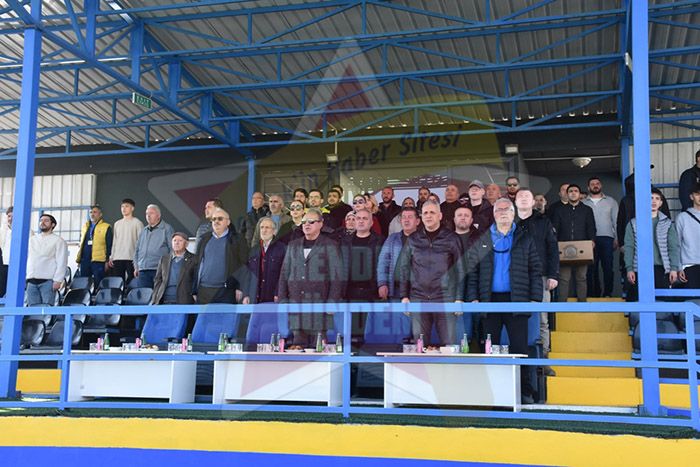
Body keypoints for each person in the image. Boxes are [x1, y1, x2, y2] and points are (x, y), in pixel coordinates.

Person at [467, 197, 542, 404]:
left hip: (517, 300)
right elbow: (473, 272)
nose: (502, 213)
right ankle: (491, 394)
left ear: (513, 213)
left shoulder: (525, 238)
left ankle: (524, 391)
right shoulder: (482, 239)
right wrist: (473, 297)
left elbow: (535, 269)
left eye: (506, 209)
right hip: (489, 301)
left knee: (520, 348)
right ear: (493, 214)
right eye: (498, 210)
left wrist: (535, 298)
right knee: (490, 349)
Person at [399, 200, 465, 347]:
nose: (428, 216)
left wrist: (459, 298)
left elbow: (461, 269)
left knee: (449, 347)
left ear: (440, 216)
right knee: (420, 347)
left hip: (445, 298)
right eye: (425, 213)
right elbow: (404, 269)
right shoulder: (413, 239)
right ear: (421, 217)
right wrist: (404, 296)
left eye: (432, 212)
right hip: (418, 298)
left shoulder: (453, 238)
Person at [278, 207, 343, 346]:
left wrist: (332, 301)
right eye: (304, 221)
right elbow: (284, 274)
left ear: (320, 224)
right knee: (298, 347)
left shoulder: (331, 245)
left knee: (319, 348)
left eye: (311, 221)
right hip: (296, 304)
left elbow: (337, 277)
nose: (306, 224)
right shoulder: (293, 245)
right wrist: (283, 301)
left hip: (320, 306)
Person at [515, 188, 559, 371]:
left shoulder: (544, 221)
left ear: (534, 202)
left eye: (527, 196)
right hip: (515, 278)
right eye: (520, 196)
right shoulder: (509, 221)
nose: (524, 199)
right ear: (515, 202)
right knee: (516, 319)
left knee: (541, 319)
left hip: (540, 276)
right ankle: (519, 360)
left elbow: (553, 248)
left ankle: (543, 361)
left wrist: (553, 275)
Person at [624, 188, 680, 301]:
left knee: (663, 301)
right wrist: (629, 268)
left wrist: (674, 268)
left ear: (661, 203)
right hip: (640, 268)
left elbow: (673, 247)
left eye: (657, 198)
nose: (654, 201)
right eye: (650, 198)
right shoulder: (633, 223)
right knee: (637, 301)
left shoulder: (667, 223)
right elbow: (629, 247)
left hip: (661, 268)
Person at [340, 209, 385, 336]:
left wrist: (382, 285)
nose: (361, 221)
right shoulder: (344, 241)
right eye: (358, 218)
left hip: (372, 290)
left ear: (371, 222)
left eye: (365, 218)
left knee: (371, 331)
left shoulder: (380, 241)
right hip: (349, 290)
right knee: (351, 330)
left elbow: (384, 265)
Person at [552, 184, 596, 302]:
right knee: (564, 278)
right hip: (564, 247)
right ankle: (562, 306)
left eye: (576, 191)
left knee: (581, 278)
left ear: (580, 194)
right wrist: (554, 242)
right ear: (567, 194)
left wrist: (592, 240)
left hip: (582, 247)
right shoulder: (559, 210)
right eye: (570, 191)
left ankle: (582, 304)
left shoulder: (587, 210)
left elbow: (591, 227)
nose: (573, 193)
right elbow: (555, 228)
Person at [193, 208, 247, 304]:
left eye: (220, 219)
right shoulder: (204, 239)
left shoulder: (237, 240)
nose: (216, 221)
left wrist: (240, 287)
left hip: (226, 291)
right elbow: (196, 265)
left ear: (228, 222)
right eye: (214, 219)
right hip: (203, 291)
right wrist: (194, 290)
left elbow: (244, 265)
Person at [582, 177, 619, 298]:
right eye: (592, 184)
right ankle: (593, 294)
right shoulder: (583, 202)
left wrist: (617, 238)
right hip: (589, 240)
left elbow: (616, 221)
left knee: (607, 267)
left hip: (607, 237)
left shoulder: (611, 201)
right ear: (588, 188)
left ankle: (608, 293)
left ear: (601, 186)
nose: (595, 185)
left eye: (597, 183)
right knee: (591, 269)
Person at [378, 206, 421, 301]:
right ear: (400, 221)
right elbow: (383, 262)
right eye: (403, 217)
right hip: (396, 290)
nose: (406, 220)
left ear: (417, 221)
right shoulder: (392, 238)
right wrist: (382, 283)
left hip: (417, 291)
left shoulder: (423, 239)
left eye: (410, 217)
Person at [242, 217, 287, 304]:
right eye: (262, 227)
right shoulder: (254, 249)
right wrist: (246, 294)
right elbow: (248, 274)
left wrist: (278, 292)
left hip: (273, 296)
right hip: (255, 297)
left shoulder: (282, 248)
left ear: (274, 231)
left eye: (267, 227)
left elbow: (285, 273)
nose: (264, 230)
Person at [25, 214, 68, 306]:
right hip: (31, 280)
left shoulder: (58, 241)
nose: (42, 222)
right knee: (32, 309)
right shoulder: (32, 240)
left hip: (48, 281)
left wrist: (58, 280)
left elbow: (62, 262)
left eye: (46, 220)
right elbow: (27, 259)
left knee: (47, 308)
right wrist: (25, 278)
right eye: (41, 220)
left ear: (53, 224)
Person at [134, 204, 174, 289]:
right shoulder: (143, 231)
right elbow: (137, 250)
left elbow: (172, 249)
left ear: (158, 215)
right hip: (143, 271)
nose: (148, 216)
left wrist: (167, 267)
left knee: (158, 295)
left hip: (159, 270)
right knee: (144, 295)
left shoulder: (167, 229)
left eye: (151, 213)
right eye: (146, 213)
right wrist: (136, 266)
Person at [151, 232, 196, 305]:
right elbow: (158, 280)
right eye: (174, 240)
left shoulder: (194, 259)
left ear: (186, 244)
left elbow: (196, 280)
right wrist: (154, 299)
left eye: (180, 241)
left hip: (184, 301)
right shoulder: (164, 259)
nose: (176, 243)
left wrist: (195, 295)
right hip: (164, 301)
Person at [76, 205, 113, 286]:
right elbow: (81, 244)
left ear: (100, 214)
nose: (92, 214)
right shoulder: (85, 227)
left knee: (99, 283)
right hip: (85, 260)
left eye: (95, 212)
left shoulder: (106, 227)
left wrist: (107, 260)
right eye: (91, 212)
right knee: (84, 283)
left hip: (99, 261)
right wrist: (79, 260)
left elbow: (109, 245)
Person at [109, 198, 144, 285]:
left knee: (132, 283)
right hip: (117, 257)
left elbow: (142, 242)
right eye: (122, 206)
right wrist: (112, 255)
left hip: (131, 258)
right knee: (117, 283)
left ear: (132, 208)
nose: (124, 209)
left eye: (126, 206)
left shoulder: (137, 223)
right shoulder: (117, 224)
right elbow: (115, 241)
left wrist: (138, 257)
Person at [677, 182, 700, 289]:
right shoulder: (682, 217)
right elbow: (677, 244)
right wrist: (679, 267)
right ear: (691, 196)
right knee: (692, 296)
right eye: (697, 194)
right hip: (690, 264)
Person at [0, 206, 13, 297]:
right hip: (3, 265)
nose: (10, 219)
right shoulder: (3, 231)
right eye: (9, 216)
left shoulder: (27, 232)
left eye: (13, 216)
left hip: (16, 266)